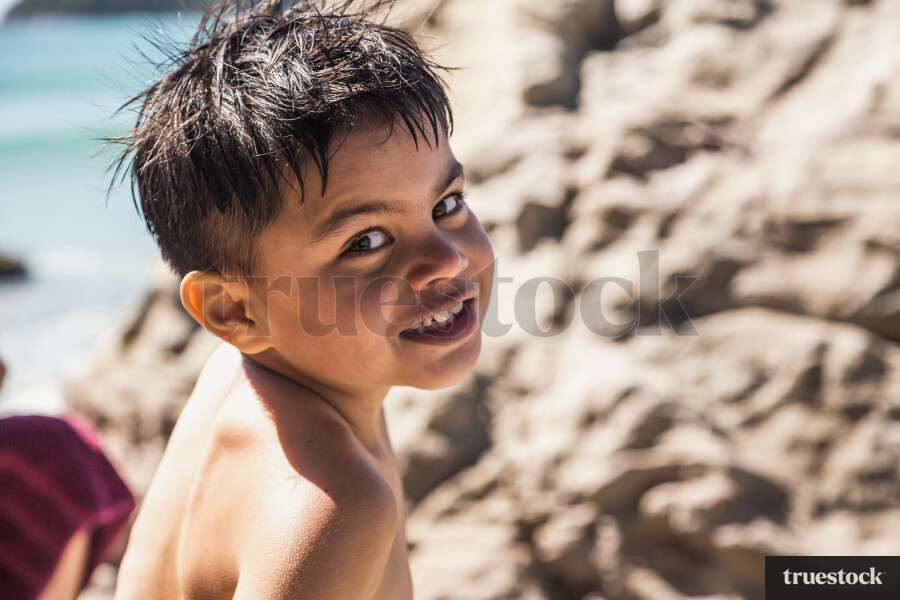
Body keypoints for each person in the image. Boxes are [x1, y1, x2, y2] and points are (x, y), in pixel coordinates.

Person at [109, 1, 494, 598]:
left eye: (446, 204)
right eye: (365, 241)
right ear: (234, 312)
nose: (449, 259)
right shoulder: (335, 507)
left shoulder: (240, 378)